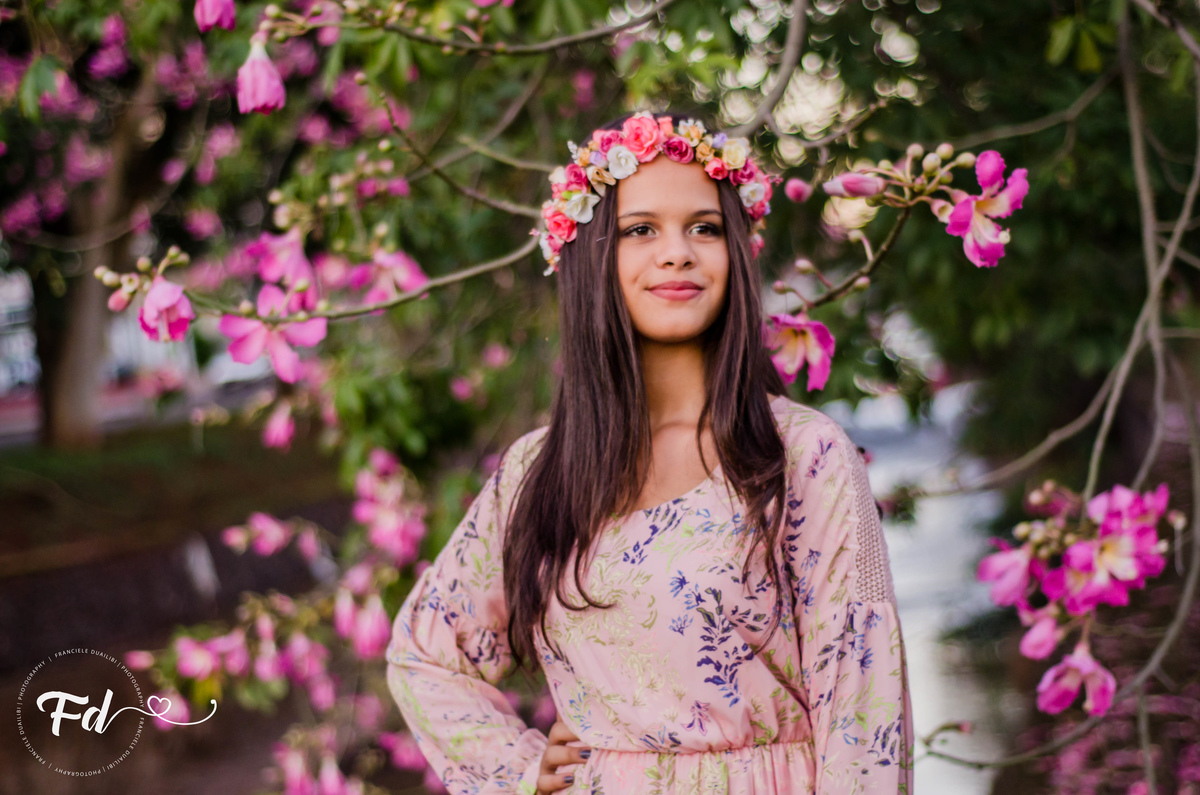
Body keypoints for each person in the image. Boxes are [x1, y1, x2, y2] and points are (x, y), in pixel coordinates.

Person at [386, 111, 913, 794]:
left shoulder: (802, 455)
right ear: (591, 258)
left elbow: (864, 714)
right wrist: (516, 765)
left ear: (735, 252)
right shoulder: (539, 472)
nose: (677, 252)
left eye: (704, 227)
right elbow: (425, 654)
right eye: (641, 230)